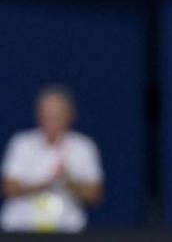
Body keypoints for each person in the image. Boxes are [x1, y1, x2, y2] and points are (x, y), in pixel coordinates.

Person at [1, 86, 103, 233]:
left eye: (57, 115)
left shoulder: (83, 147)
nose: (51, 120)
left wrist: (69, 182)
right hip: (20, 228)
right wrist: (47, 183)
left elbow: (94, 195)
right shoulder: (21, 143)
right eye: (47, 114)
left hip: (66, 229)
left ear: (70, 115)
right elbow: (9, 188)